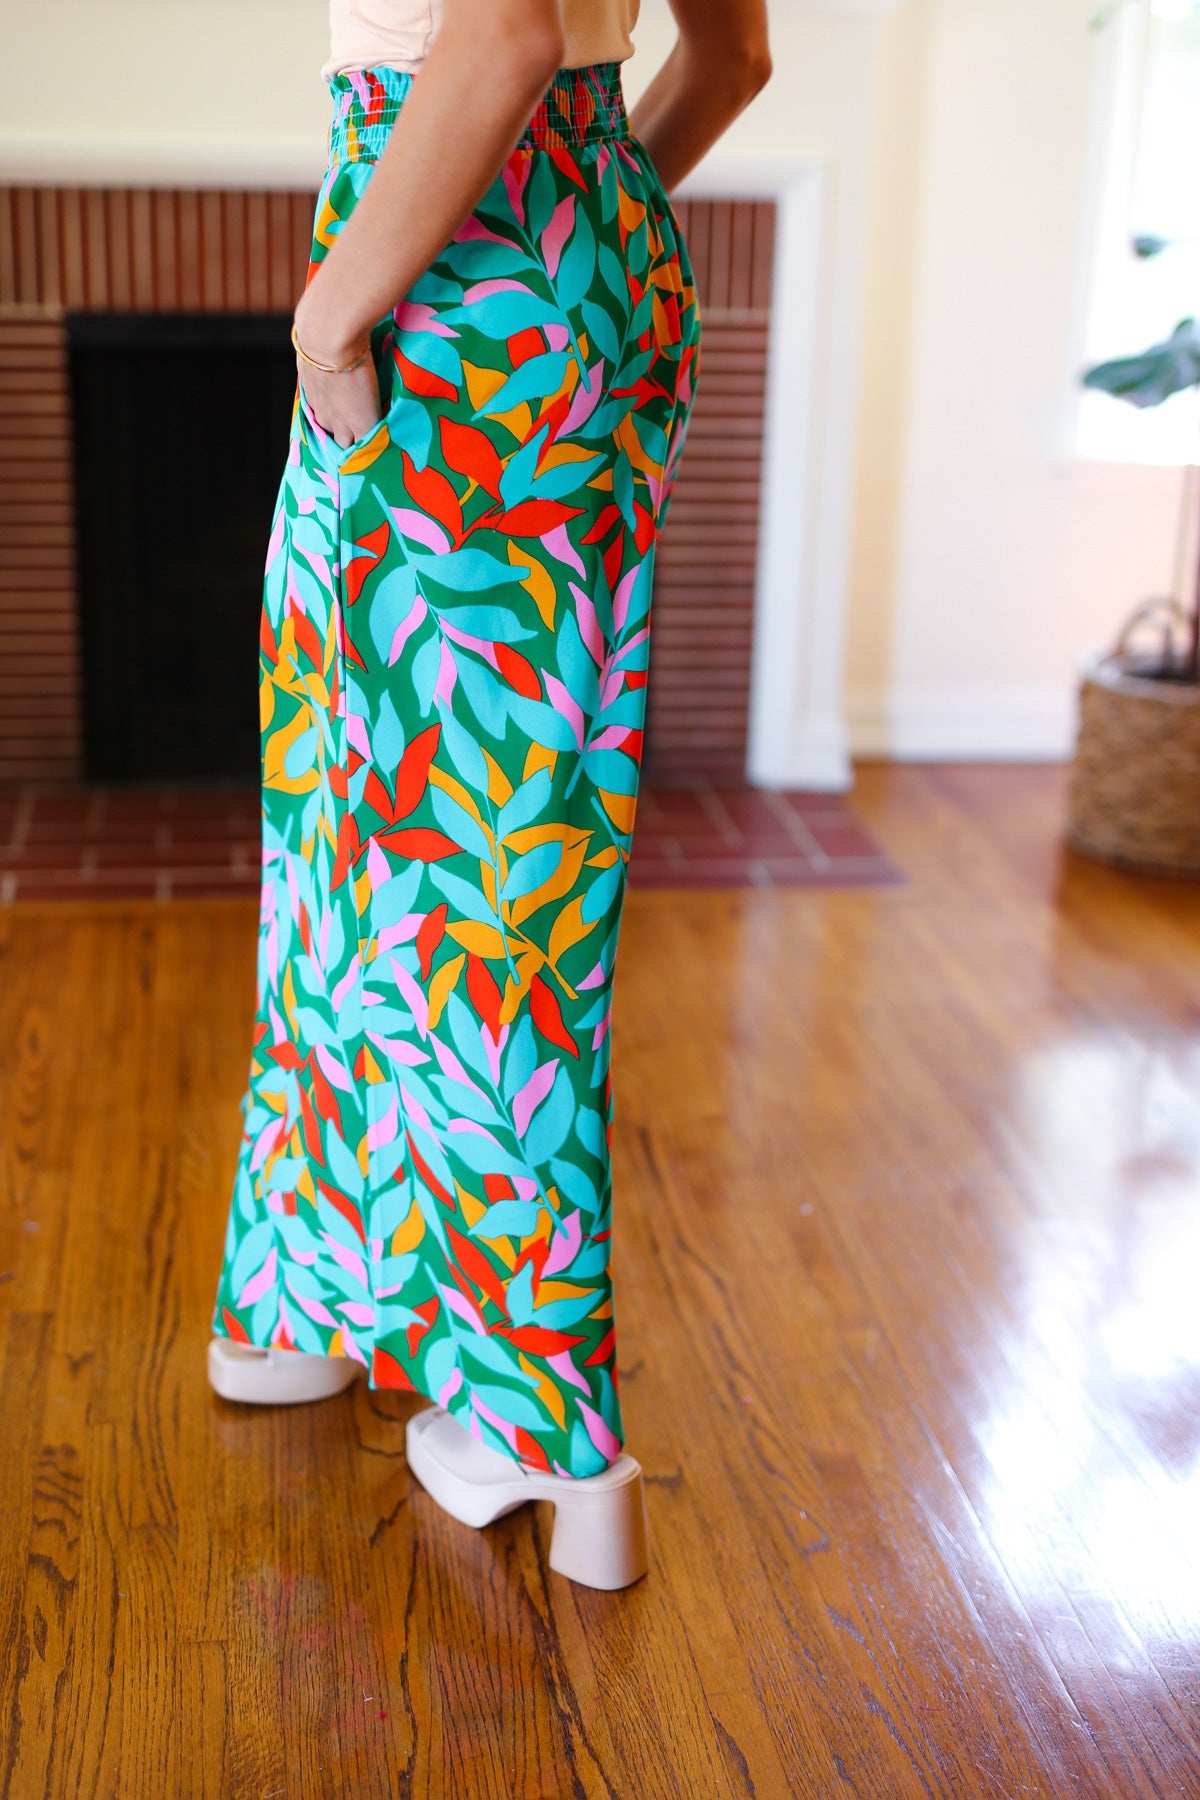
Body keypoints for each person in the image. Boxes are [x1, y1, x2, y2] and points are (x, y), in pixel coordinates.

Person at [207, 0, 771, 1590]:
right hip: (568, 263)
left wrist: (328, 325)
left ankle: (540, 1418)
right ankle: (319, 1286)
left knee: (443, 855)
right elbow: (733, 56)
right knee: (440, 835)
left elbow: (509, 29)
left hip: (447, 298)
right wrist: (582, 205)